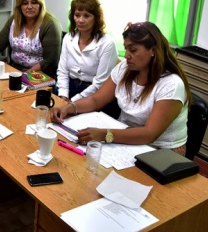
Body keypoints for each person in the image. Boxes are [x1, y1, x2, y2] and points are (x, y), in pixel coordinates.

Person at [51, 21, 191, 155]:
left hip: (159, 150)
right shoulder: (125, 68)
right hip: (123, 138)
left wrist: (104, 134)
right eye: (126, 49)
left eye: (133, 50)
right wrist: (68, 108)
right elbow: (96, 99)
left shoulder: (171, 84)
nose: (127, 55)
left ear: (152, 50)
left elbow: (149, 134)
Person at [56, 0, 118, 102]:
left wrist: (73, 102)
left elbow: (100, 83)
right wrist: (63, 96)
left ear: (96, 18)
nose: (80, 20)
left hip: (93, 92)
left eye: (86, 16)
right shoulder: (68, 37)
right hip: (67, 87)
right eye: (77, 15)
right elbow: (62, 71)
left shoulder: (107, 43)